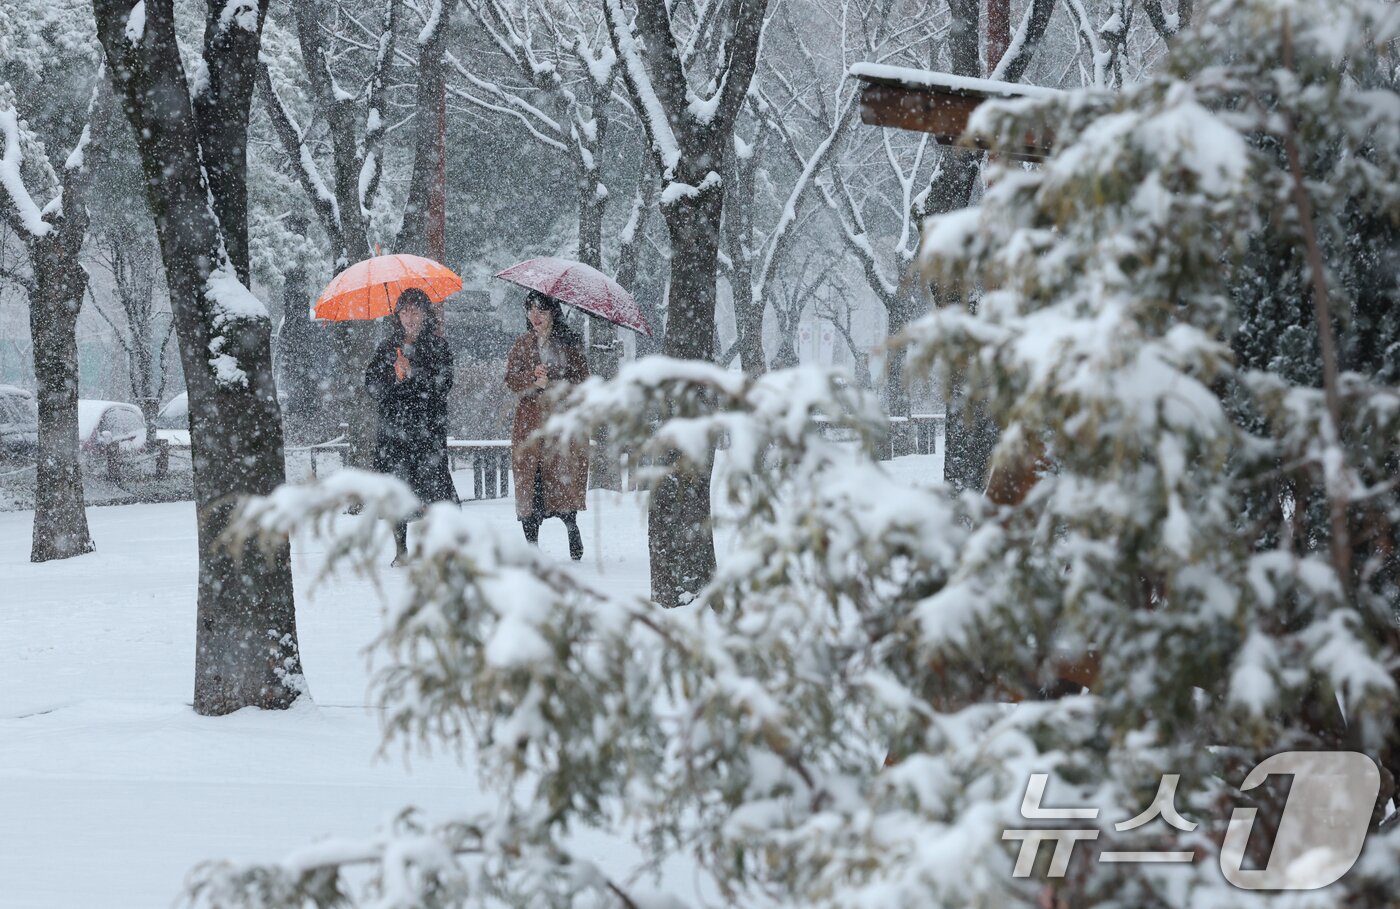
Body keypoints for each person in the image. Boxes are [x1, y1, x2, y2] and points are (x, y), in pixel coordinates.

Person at [365, 288, 458, 565]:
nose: (410, 317)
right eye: (404, 311)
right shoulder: (386, 347)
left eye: (415, 311)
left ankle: (439, 546)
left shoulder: (438, 346)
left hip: (427, 429)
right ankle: (400, 549)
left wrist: (413, 374)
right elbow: (371, 386)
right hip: (394, 430)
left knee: (435, 489)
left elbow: (443, 384)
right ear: (397, 315)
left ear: (425, 314)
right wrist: (394, 378)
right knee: (397, 488)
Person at [504, 291, 589, 559]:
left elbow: (581, 381)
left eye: (541, 310)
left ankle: (571, 527)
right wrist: (531, 379)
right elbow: (511, 379)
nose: (535, 316)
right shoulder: (522, 344)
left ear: (553, 312)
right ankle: (531, 543)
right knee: (531, 482)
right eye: (530, 310)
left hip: (559, 424)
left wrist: (552, 382)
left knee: (561, 479)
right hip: (528, 426)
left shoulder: (568, 345)